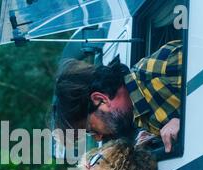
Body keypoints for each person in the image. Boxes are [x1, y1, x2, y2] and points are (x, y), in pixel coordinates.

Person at [53, 40, 183, 153]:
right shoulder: (138, 116)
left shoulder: (164, 67)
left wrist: (186, 121)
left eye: (91, 130)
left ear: (100, 99)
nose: (98, 138)